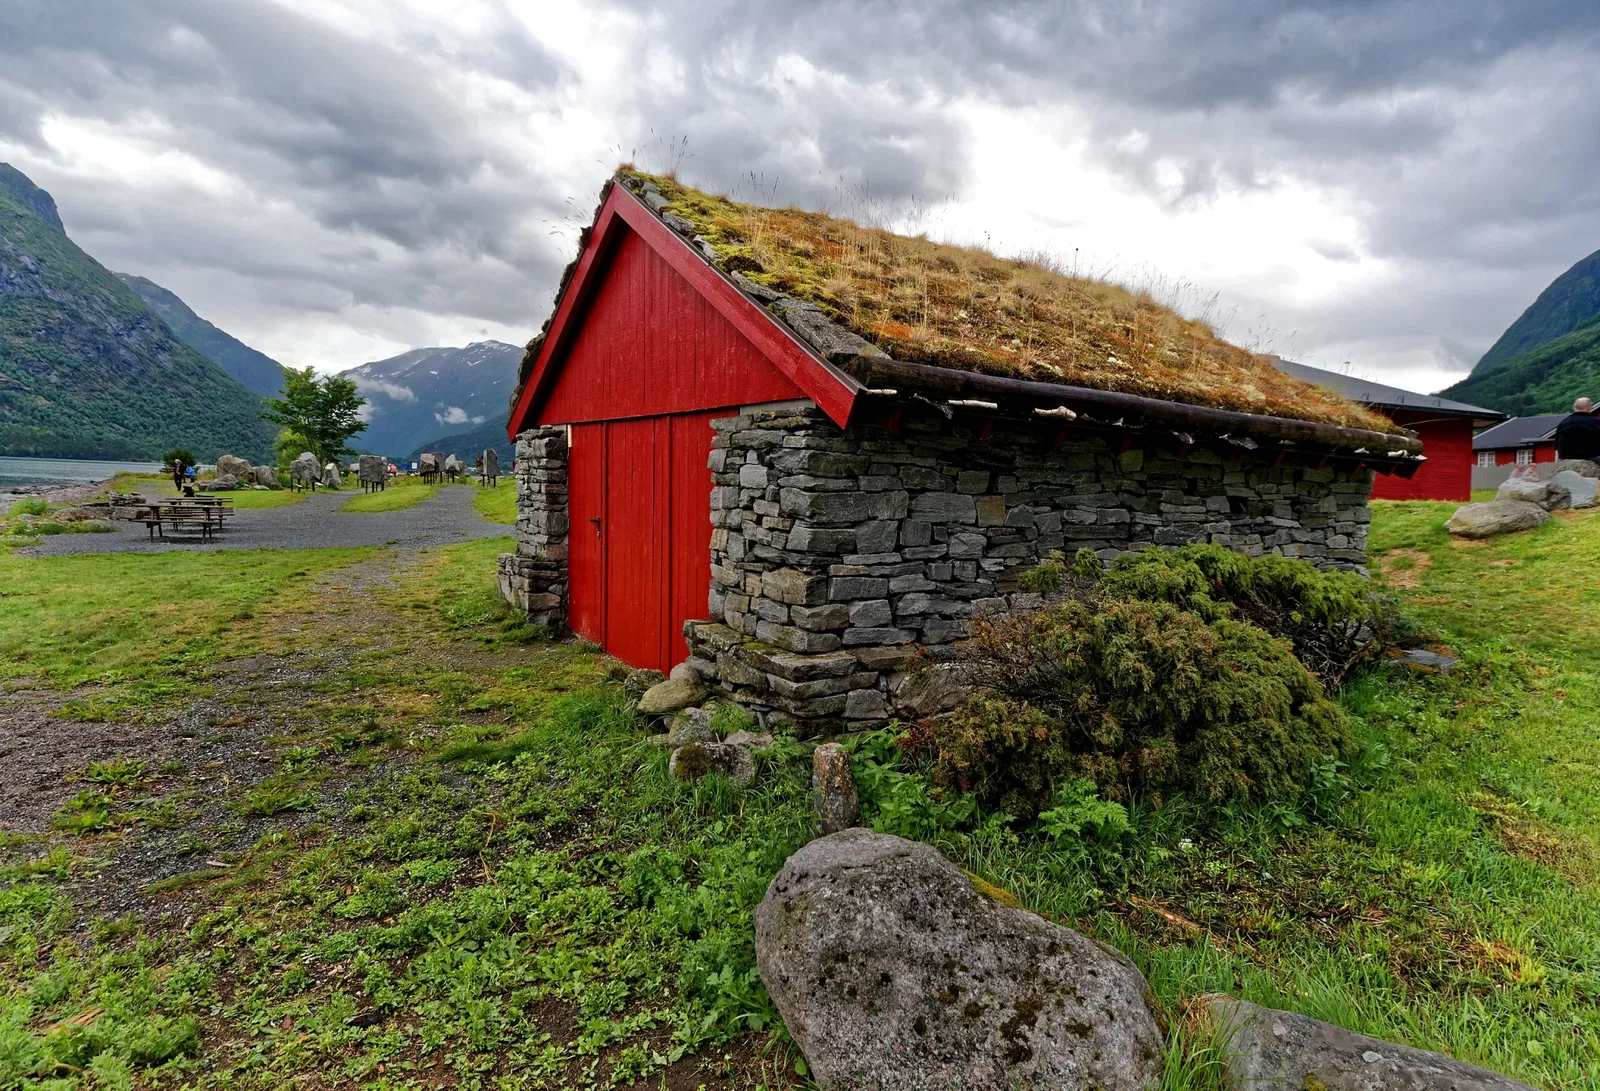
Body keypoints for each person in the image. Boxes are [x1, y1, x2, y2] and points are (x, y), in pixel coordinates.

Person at [1554, 397, 1600, 462]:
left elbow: (1557, 447)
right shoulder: (1597, 422)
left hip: (1565, 457)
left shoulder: (1563, 423)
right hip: (1591, 456)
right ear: (1590, 408)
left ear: (1574, 408)